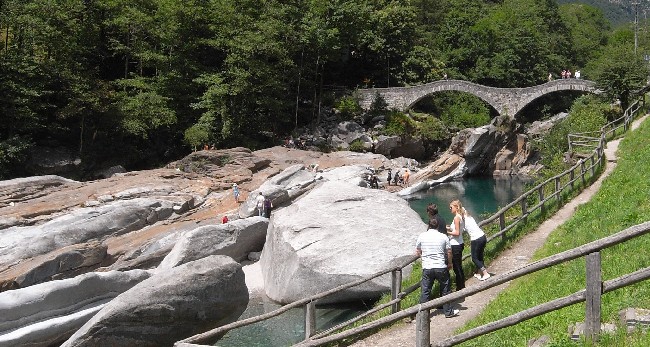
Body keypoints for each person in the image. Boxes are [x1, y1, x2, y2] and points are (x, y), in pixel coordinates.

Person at [415, 219, 459, 318]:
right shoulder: (443, 236)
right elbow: (449, 252)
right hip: (440, 266)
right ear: (438, 226)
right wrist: (450, 263)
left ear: (429, 225)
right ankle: (448, 311)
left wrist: (423, 258)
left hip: (427, 267)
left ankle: (423, 314)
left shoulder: (422, 236)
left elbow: (418, 251)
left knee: (426, 290)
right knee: (445, 289)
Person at [463, 209, 490, 280]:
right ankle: (479, 273)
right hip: (482, 236)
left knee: (474, 258)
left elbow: (458, 231)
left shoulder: (462, 220)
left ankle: (485, 273)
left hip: (476, 239)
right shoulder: (470, 217)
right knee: (480, 256)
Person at [447, 200, 466, 291]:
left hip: (455, 244)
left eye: (451, 207)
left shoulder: (456, 218)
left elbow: (457, 232)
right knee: (458, 266)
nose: (450, 209)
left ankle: (460, 287)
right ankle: (461, 284)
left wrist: (447, 232)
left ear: (456, 207)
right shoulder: (460, 216)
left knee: (457, 267)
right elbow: (456, 229)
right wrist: (449, 228)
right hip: (460, 243)